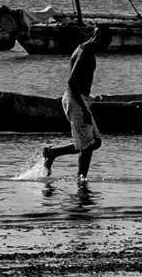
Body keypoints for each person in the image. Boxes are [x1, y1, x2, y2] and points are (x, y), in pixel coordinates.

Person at [40, 22, 110, 183]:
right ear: (97, 39)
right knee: (86, 145)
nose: (106, 48)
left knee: (95, 141)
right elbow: (71, 82)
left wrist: (87, 102)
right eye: (105, 44)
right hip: (74, 99)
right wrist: (83, 109)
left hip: (82, 99)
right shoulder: (84, 51)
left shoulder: (89, 50)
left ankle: (53, 153)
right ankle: (81, 180)